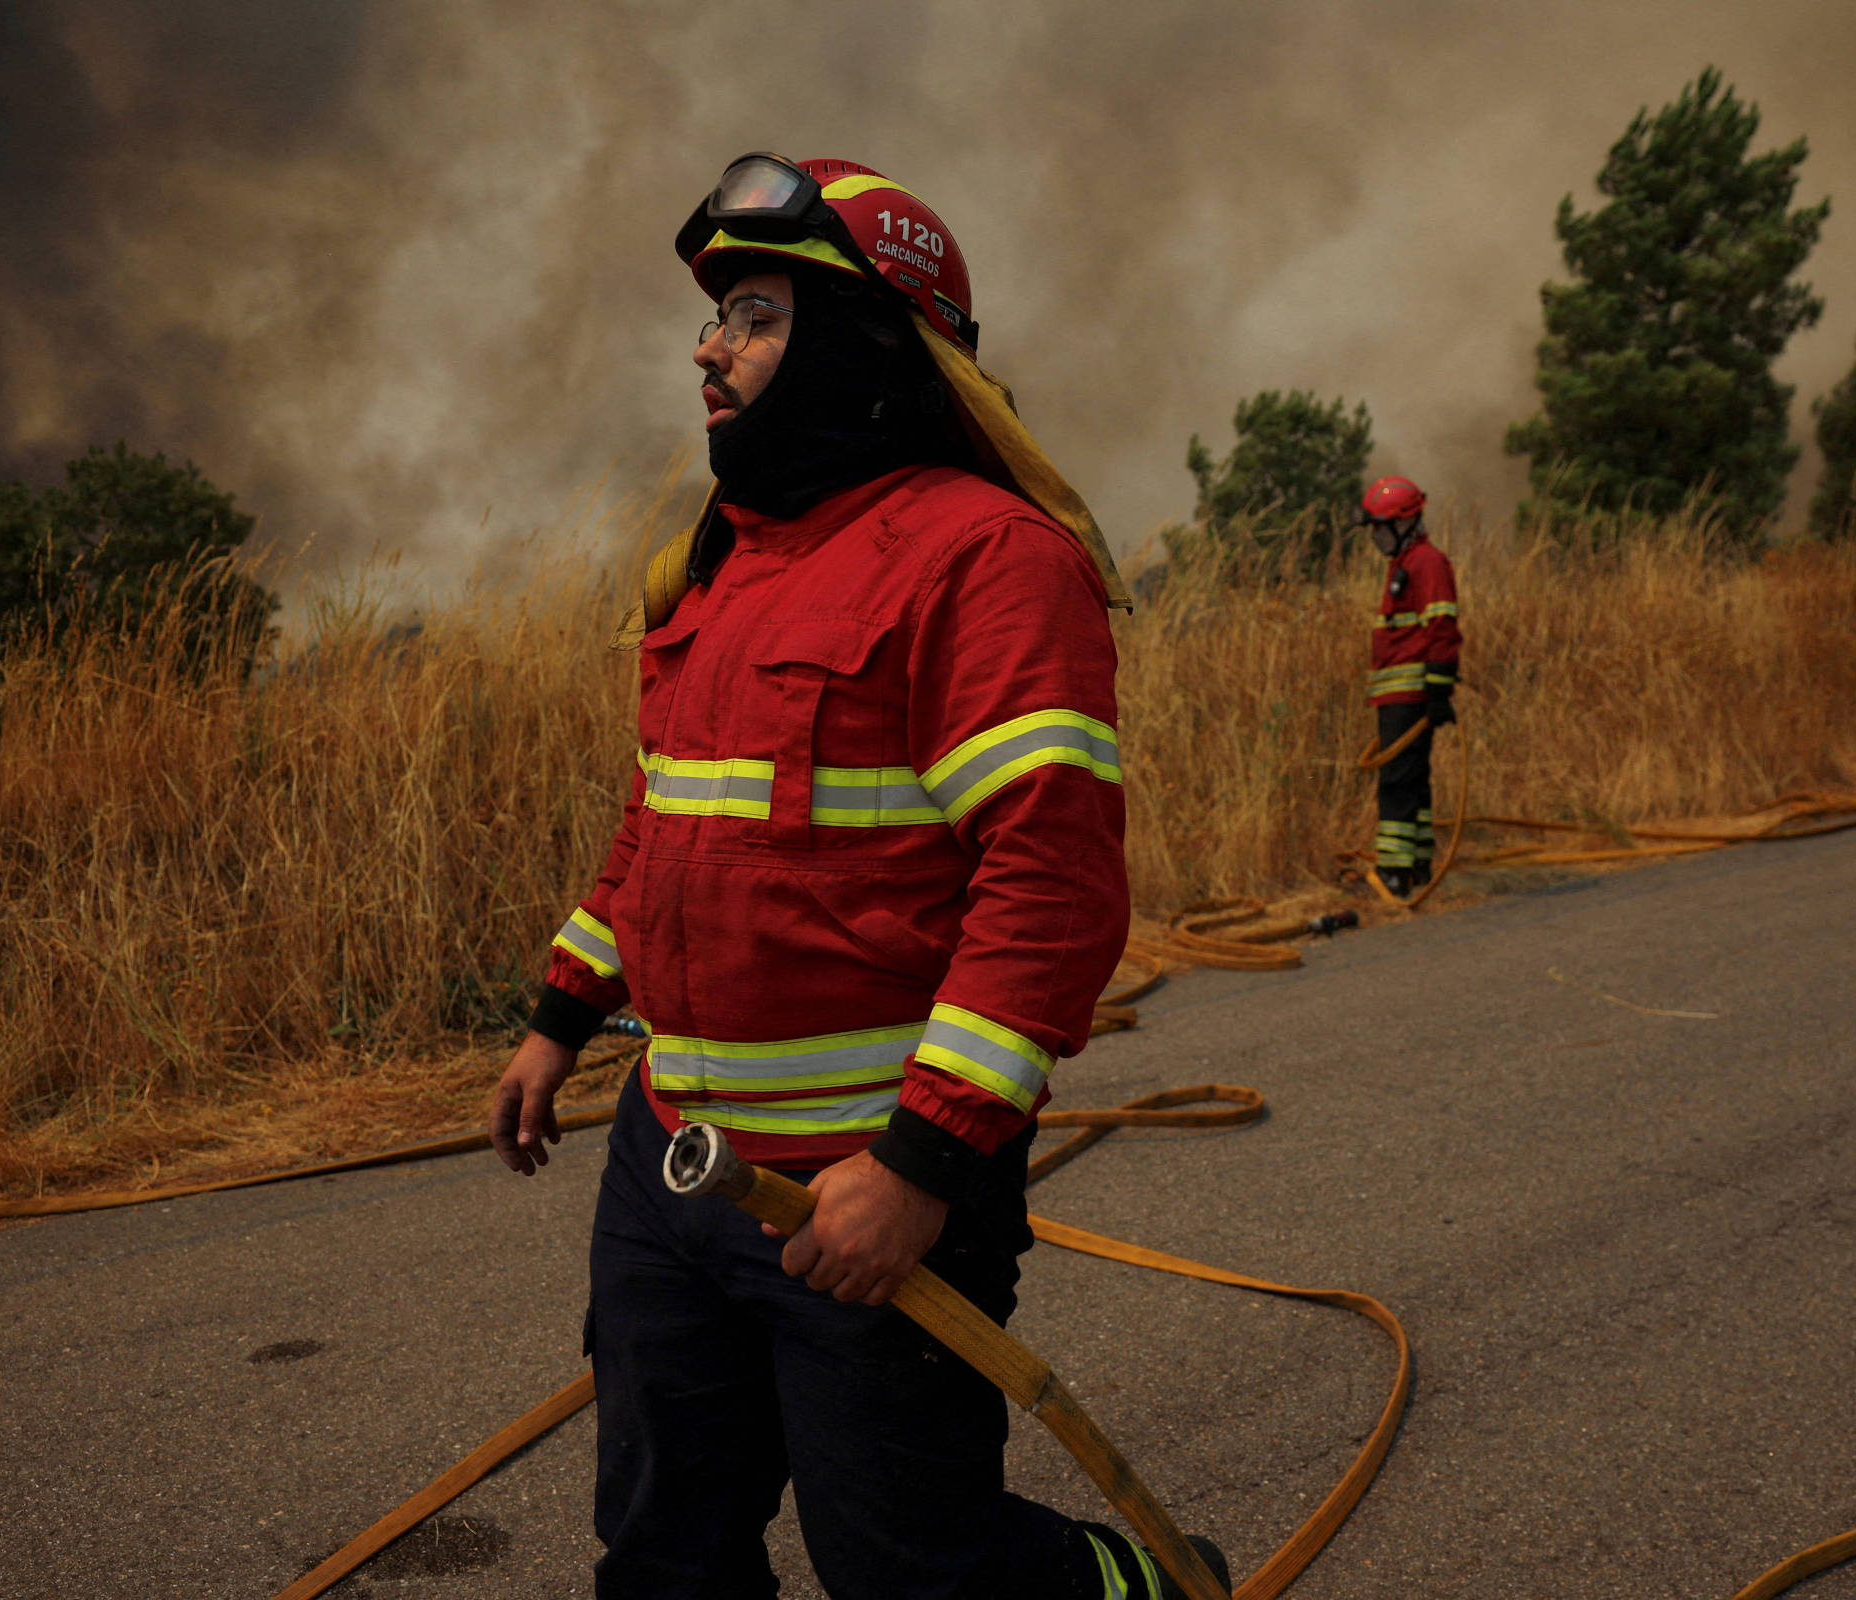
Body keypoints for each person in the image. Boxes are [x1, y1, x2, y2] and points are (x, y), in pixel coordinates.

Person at [485, 152, 1229, 1600]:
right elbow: (664, 827)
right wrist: (559, 1017)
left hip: (866, 1173)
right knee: (663, 1550)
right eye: (717, 318)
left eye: (756, 316)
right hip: (673, 1161)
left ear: (860, 340)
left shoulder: (987, 562)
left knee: (907, 1568)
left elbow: (1049, 892)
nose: (709, 350)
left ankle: (1133, 1587)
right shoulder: (717, 566)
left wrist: (919, 1167)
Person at [1358, 475, 1461, 895]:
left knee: (1398, 783)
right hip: (1397, 696)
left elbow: (1442, 627)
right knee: (1412, 780)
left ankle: (1394, 873)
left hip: (1410, 696)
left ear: (1404, 522)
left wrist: (1437, 691)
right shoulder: (1404, 563)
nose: (1375, 537)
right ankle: (1417, 864)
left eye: (1380, 528)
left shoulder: (1426, 563)